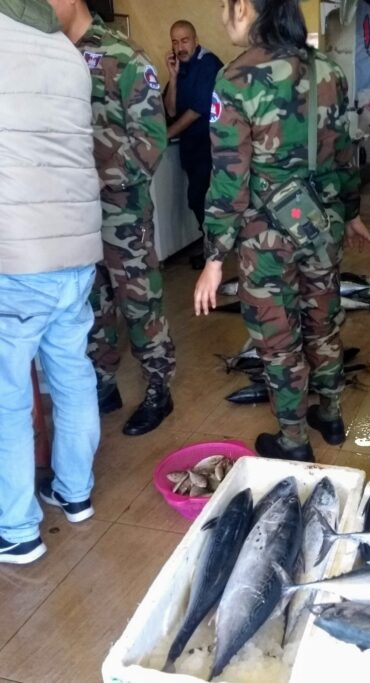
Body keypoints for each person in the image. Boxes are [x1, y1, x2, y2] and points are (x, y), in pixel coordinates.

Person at [194, 0, 369, 462]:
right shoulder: (329, 70)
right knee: (323, 322)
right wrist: (351, 212)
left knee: (278, 337)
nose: (222, 16)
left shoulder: (236, 80)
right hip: (322, 224)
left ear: (246, 8)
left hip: (265, 236)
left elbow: (230, 177)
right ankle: (330, 416)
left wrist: (214, 258)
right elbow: (347, 151)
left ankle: (293, 441)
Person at [0, 0, 102, 564]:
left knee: (9, 395)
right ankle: (75, 491)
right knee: (71, 370)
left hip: (16, 254)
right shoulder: (67, 52)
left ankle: (16, 529)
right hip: (77, 247)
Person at [49, 0, 177, 436]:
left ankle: (160, 388)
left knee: (139, 300)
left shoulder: (124, 58)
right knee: (90, 301)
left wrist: (96, 178)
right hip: (71, 212)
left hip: (121, 211)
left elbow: (150, 144)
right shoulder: (51, 53)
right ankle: (101, 384)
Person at [163, 20, 224, 270]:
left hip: (212, 148)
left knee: (203, 199)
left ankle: (215, 253)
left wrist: (165, 136)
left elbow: (197, 111)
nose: (180, 47)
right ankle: (214, 249)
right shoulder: (183, 67)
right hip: (192, 149)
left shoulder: (207, 63)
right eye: (175, 42)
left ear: (195, 39)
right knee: (198, 200)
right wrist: (173, 77)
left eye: (184, 40)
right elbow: (171, 109)